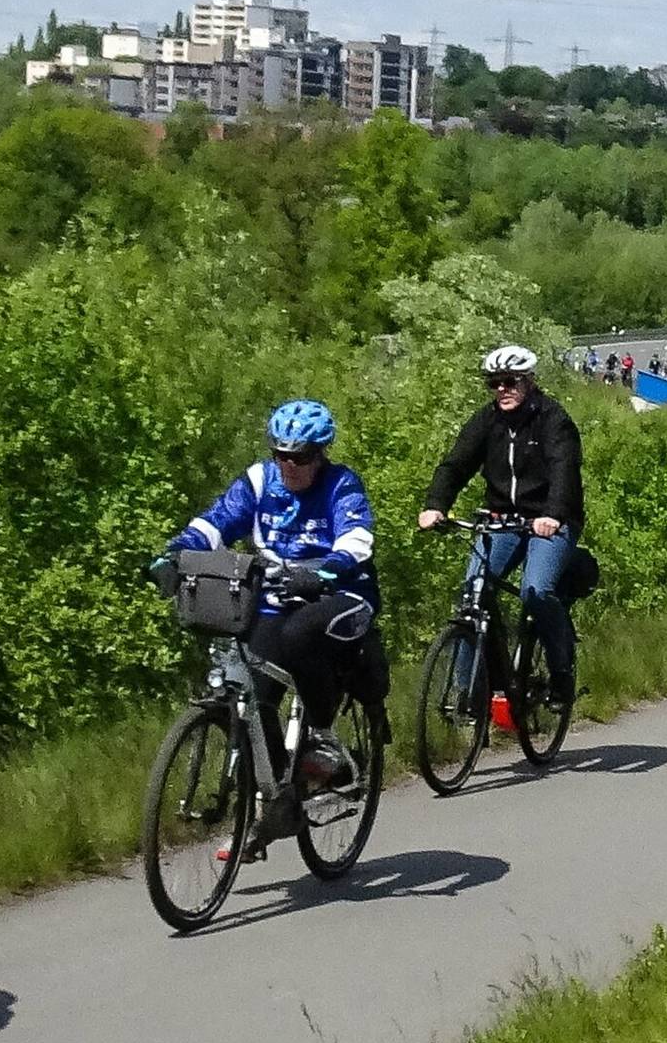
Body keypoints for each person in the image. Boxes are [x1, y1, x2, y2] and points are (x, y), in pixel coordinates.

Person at [158, 399, 382, 847]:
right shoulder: (260, 481)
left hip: (341, 595)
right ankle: (282, 798)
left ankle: (322, 735)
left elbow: (358, 539)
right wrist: (175, 553)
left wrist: (323, 570)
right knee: (253, 691)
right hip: (277, 598)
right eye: (281, 454)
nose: (289, 465)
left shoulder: (341, 484)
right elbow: (215, 523)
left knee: (301, 638)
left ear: (320, 454)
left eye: (300, 457)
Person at [419, 345, 585, 705]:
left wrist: (553, 514)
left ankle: (561, 672)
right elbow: (455, 465)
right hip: (502, 521)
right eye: (494, 383)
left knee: (536, 591)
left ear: (529, 382)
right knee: (472, 594)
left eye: (510, 382)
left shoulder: (553, 420)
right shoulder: (487, 421)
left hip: (550, 521)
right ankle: (472, 692)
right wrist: (436, 505)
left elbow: (564, 470)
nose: (502, 390)